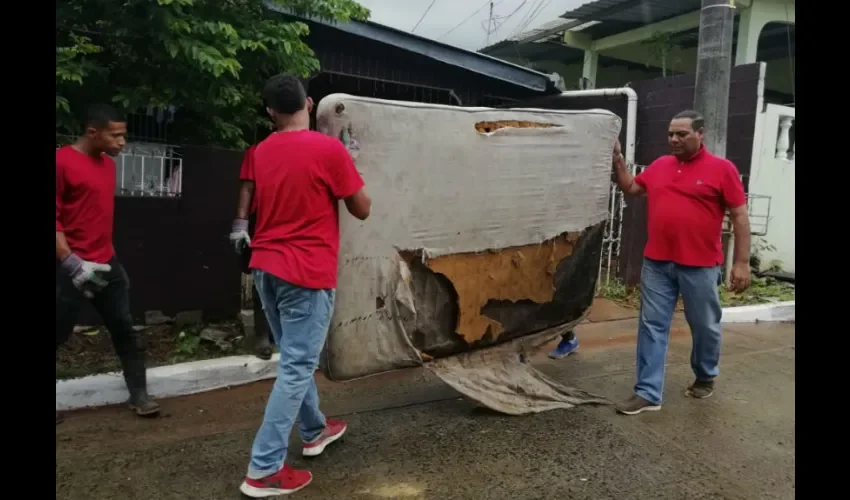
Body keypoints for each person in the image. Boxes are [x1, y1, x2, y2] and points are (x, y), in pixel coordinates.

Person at [235, 74, 372, 498]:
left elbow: (247, 193)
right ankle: (264, 470)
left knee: (294, 357)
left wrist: (239, 226)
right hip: (306, 272)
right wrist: (349, 163)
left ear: (269, 112)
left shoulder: (259, 152)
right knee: (296, 366)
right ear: (309, 104)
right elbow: (362, 209)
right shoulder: (329, 150)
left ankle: (314, 429)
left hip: (266, 269)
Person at [611, 110, 752, 416]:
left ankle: (705, 374)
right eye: (671, 134)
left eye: (681, 134)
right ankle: (648, 392)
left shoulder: (722, 169)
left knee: (704, 326)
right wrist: (618, 160)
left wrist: (741, 262)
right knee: (651, 326)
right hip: (657, 262)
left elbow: (740, 216)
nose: (674, 139)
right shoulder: (660, 166)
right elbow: (633, 188)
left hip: (700, 265)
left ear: (700, 134)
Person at [56, 104, 160, 425]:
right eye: (115, 135)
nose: (122, 142)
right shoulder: (62, 162)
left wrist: (107, 255)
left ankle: (139, 394)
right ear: (92, 132)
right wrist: (72, 264)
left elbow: (95, 215)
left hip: (106, 265)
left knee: (124, 329)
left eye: (123, 134)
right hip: (68, 268)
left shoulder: (106, 165)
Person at [230, 144, 274, 360]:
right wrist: (241, 224)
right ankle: (262, 335)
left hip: (293, 219)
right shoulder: (258, 151)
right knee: (261, 277)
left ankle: (280, 334)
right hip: (263, 220)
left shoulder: (312, 149)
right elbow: (248, 188)